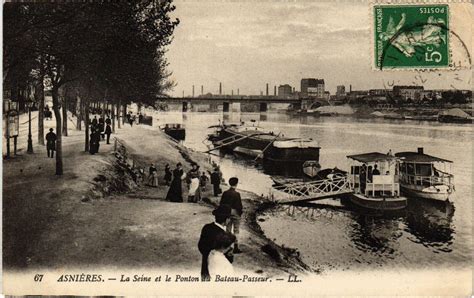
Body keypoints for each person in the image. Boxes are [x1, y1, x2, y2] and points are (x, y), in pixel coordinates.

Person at [198, 205, 235, 281]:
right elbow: (228, 255)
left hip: (206, 263)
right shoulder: (223, 234)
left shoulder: (206, 227)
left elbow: (200, 246)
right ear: (227, 220)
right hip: (219, 265)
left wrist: (207, 254)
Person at [219, 177, 243, 253]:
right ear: (236, 184)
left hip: (227, 212)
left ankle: (228, 247)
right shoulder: (237, 194)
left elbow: (221, 204)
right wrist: (239, 213)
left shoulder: (225, 193)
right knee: (236, 230)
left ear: (229, 184)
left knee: (228, 229)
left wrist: (224, 214)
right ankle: (236, 247)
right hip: (235, 212)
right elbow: (239, 206)